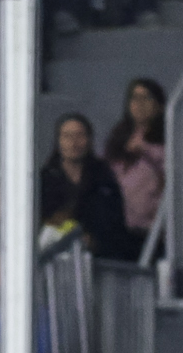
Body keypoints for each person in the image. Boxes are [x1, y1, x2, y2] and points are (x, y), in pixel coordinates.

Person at [40, 113, 134, 263]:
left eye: (80, 135)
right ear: (58, 141)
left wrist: (95, 241)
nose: (74, 142)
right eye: (67, 136)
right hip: (53, 260)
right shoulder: (45, 179)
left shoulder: (103, 176)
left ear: (89, 139)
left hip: (100, 260)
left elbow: (116, 224)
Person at [105, 78, 167, 252]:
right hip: (119, 227)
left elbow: (171, 168)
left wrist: (145, 149)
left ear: (159, 106)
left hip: (152, 231)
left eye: (146, 98)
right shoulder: (118, 136)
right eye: (135, 98)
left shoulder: (167, 138)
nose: (139, 103)